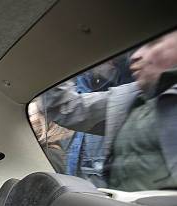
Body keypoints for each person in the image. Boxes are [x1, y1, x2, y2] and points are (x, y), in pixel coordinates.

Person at [43, 30, 177, 191]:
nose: (135, 56)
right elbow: (65, 107)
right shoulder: (127, 99)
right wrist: (58, 54)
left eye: (153, 43)